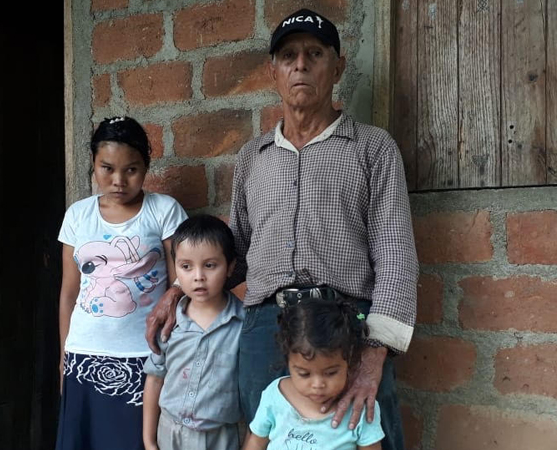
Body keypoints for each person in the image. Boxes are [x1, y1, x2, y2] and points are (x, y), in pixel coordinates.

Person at [146, 8, 417, 450]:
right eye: (289, 56)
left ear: (338, 66)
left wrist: (373, 358)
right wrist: (178, 289)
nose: (301, 65)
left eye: (315, 54)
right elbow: (237, 251)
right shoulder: (254, 156)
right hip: (265, 330)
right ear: (273, 70)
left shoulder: (372, 148)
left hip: (344, 331)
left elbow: (397, 259)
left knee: (366, 437)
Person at [56, 116, 188, 450]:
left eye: (131, 169)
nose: (118, 180)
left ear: (146, 166)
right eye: (107, 168)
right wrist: (63, 355)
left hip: (144, 355)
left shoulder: (164, 211)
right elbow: (69, 292)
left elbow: (182, 282)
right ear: (93, 164)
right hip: (84, 354)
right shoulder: (77, 215)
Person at [142, 215, 243, 450]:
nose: (198, 276)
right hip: (169, 433)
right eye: (186, 267)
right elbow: (155, 378)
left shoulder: (243, 324)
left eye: (210, 265)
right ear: (176, 267)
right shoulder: (170, 323)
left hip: (220, 437)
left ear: (230, 267)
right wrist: (149, 441)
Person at [243, 299, 384, 450]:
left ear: (350, 360)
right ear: (288, 362)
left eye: (330, 373)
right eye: (304, 374)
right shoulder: (275, 396)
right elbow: (255, 443)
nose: (318, 385)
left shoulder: (360, 407)